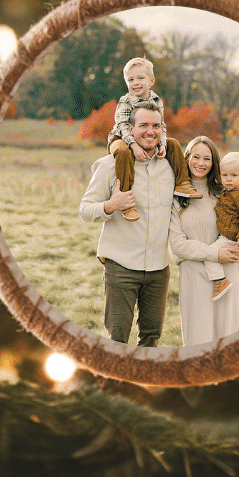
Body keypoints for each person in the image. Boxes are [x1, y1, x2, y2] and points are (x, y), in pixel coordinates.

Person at [79, 101, 176, 345]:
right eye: (143, 125)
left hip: (158, 270)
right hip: (121, 268)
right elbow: (85, 210)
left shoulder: (171, 167)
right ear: (130, 130)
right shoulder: (111, 165)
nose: (150, 131)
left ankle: (144, 383)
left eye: (156, 125)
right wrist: (111, 205)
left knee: (151, 339)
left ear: (162, 129)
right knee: (117, 340)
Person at [168, 137, 239, 346]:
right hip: (193, 276)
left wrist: (236, 251)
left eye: (207, 159)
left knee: (226, 339)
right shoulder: (176, 197)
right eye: (196, 157)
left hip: (227, 272)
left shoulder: (227, 193)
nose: (201, 163)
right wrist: (214, 253)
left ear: (214, 163)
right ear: (187, 158)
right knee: (196, 340)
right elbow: (178, 244)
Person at [106, 57, 197, 222]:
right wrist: (133, 146)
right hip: (121, 137)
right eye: (130, 79)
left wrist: (162, 144)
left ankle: (183, 182)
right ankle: (126, 200)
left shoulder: (156, 101)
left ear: (151, 81)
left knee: (173, 144)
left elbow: (160, 125)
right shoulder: (125, 101)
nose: (136, 83)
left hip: (146, 137)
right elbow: (123, 126)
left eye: (140, 78)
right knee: (122, 152)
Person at [207, 151, 239, 300]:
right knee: (237, 259)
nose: (229, 179)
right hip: (228, 234)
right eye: (225, 175)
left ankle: (219, 281)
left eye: (234, 175)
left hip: (230, 236)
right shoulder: (228, 191)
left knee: (210, 255)